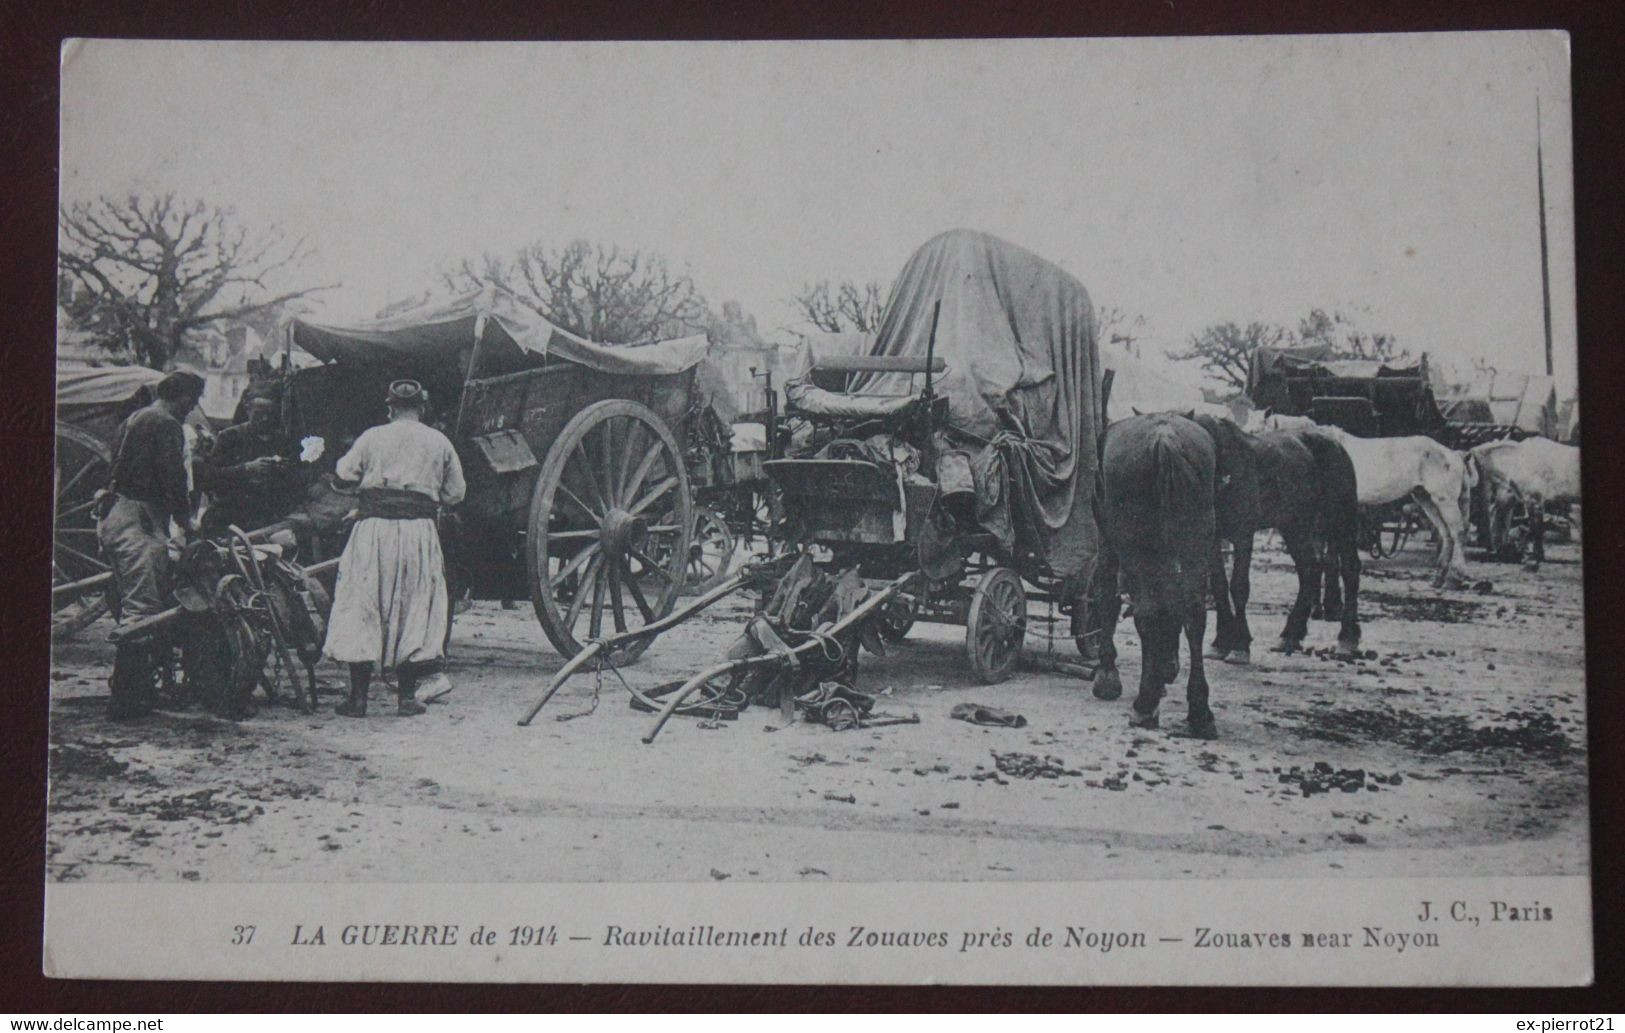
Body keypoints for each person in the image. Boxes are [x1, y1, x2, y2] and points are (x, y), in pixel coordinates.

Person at [323, 380, 466, 717]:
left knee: (363, 603)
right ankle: (406, 698)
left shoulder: (372, 436)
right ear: (423, 407)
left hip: (373, 529)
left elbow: (344, 473)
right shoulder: (438, 441)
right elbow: (456, 493)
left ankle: (358, 699)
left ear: (390, 407)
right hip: (418, 532)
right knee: (413, 606)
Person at [96, 370, 207, 720]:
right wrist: (186, 521)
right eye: (194, 400)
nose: (194, 408)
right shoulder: (165, 424)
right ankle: (126, 702)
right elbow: (173, 478)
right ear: (183, 397)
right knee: (142, 611)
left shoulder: (135, 418)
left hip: (118, 516)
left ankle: (137, 690)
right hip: (139, 520)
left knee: (138, 602)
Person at [199, 394, 300, 535]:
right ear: (248, 410)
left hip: (265, 518)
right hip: (230, 515)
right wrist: (246, 469)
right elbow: (209, 478)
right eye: (259, 414)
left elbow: (294, 482)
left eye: (269, 414)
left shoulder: (281, 441)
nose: (265, 419)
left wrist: (284, 470)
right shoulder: (229, 437)